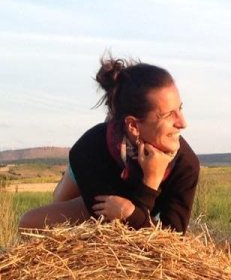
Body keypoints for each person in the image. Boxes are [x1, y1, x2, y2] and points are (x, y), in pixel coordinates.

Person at [19, 55, 199, 233]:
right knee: (33, 221)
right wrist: (143, 193)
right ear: (133, 125)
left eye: (180, 109)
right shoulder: (89, 149)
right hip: (100, 180)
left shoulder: (186, 164)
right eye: (168, 115)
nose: (183, 123)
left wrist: (149, 183)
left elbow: (172, 239)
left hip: (136, 207)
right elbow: (111, 229)